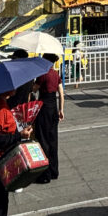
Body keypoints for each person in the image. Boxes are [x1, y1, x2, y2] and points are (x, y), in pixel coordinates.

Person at [34, 53, 64, 182]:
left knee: (43, 140)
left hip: (44, 107)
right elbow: (61, 94)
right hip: (53, 107)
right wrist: (61, 110)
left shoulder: (42, 75)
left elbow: (34, 90)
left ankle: (45, 175)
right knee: (53, 140)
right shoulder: (56, 74)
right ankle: (54, 171)